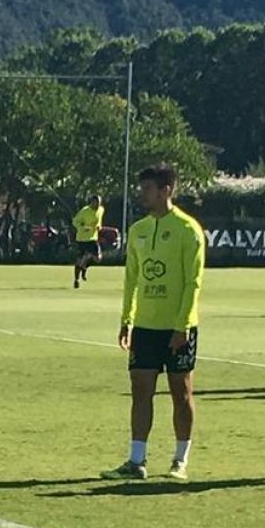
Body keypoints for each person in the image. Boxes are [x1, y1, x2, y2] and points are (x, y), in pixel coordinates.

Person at [103, 164, 205, 481]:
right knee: (140, 389)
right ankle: (136, 460)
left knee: (181, 392)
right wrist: (127, 319)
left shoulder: (189, 230)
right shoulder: (138, 231)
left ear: (167, 190)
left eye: (148, 188)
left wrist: (183, 325)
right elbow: (132, 278)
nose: (142, 194)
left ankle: (180, 459)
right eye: (142, 188)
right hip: (145, 327)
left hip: (177, 327)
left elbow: (193, 282)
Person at [72, 195, 105, 288]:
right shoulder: (84, 211)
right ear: (91, 202)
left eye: (99, 203)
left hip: (93, 238)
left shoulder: (101, 209)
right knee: (79, 260)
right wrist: (82, 227)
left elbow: (99, 220)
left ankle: (84, 266)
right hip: (82, 239)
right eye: (96, 203)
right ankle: (76, 280)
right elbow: (75, 222)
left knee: (98, 258)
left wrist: (99, 226)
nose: (98, 205)